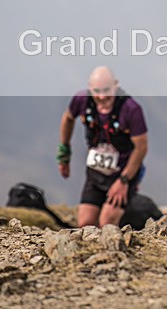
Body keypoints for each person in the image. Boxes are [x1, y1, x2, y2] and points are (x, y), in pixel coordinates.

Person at [57, 66, 148, 228]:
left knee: (107, 222)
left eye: (106, 90)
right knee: (85, 224)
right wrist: (64, 154)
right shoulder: (82, 100)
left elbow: (141, 147)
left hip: (123, 173)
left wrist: (124, 181)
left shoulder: (131, 109)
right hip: (95, 173)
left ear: (116, 85)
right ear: (89, 88)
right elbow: (68, 118)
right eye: (96, 91)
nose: (102, 96)